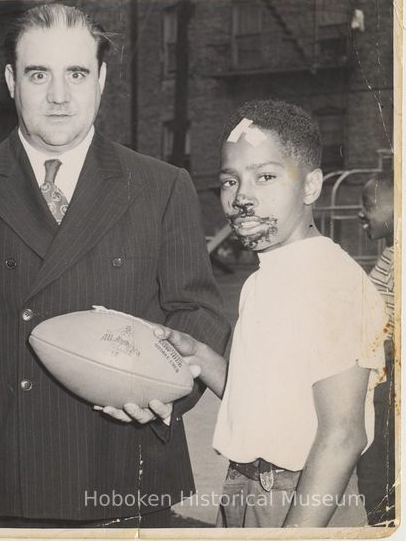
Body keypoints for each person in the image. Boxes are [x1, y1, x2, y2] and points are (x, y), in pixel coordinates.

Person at [0, 3, 231, 527]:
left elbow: (196, 310)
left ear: (101, 80)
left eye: (76, 73)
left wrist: (165, 386)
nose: (59, 96)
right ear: (12, 81)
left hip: (125, 460)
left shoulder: (160, 185)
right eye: (39, 74)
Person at [155, 100, 388, 528]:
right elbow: (267, 403)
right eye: (230, 181)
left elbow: (342, 435)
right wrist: (201, 357)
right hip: (244, 490)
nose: (242, 196)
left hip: (305, 499)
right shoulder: (264, 279)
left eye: (266, 177)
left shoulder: (333, 283)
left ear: (312, 186)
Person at [356, 172, 396, 525]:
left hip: (390, 376)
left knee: (377, 458)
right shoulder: (392, 254)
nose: (361, 213)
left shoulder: (398, 257)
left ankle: (382, 522)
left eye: (369, 204)